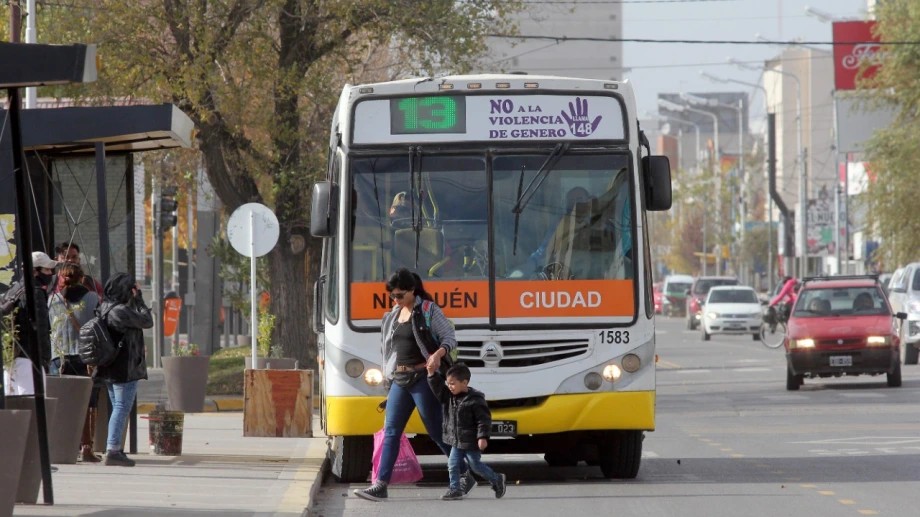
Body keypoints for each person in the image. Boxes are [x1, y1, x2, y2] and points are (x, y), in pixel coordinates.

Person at [353, 268, 474, 502]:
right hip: (400, 379)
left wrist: (437, 355)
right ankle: (381, 485)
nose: (395, 300)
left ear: (412, 291)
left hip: (423, 378)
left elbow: (450, 337)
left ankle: (465, 473)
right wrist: (388, 376)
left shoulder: (428, 310)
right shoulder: (391, 316)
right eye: (392, 296)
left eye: (400, 295)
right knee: (391, 431)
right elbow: (388, 349)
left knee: (436, 430)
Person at [94, 273, 153, 467]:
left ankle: (115, 448)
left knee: (117, 406)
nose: (133, 292)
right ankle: (113, 449)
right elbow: (147, 321)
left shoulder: (104, 307)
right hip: (124, 367)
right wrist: (140, 300)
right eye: (131, 288)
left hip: (111, 365)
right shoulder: (120, 311)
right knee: (121, 407)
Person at [426, 362, 506, 501]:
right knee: (452, 464)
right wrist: (431, 374)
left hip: (471, 441)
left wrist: (482, 437)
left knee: (475, 465)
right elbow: (437, 388)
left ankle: (497, 479)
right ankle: (455, 489)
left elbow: (483, 420)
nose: (449, 386)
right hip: (456, 441)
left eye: (452, 383)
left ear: (464, 383)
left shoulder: (476, 400)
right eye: (448, 383)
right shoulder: (448, 396)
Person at [47, 263, 102, 462]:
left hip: (58, 357)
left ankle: (61, 447)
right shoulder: (92, 298)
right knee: (85, 405)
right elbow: (98, 325)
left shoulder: (52, 300)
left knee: (60, 404)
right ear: (81, 278)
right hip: (84, 357)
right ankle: (86, 448)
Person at [1, 251, 56, 394]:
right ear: (35, 271)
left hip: (11, 358)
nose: (50, 273)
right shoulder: (35, 293)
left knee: (16, 409)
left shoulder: (14, 290)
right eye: (47, 269)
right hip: (30, 359)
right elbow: (40, 329)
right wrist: (44, 358)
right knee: (34, 407)